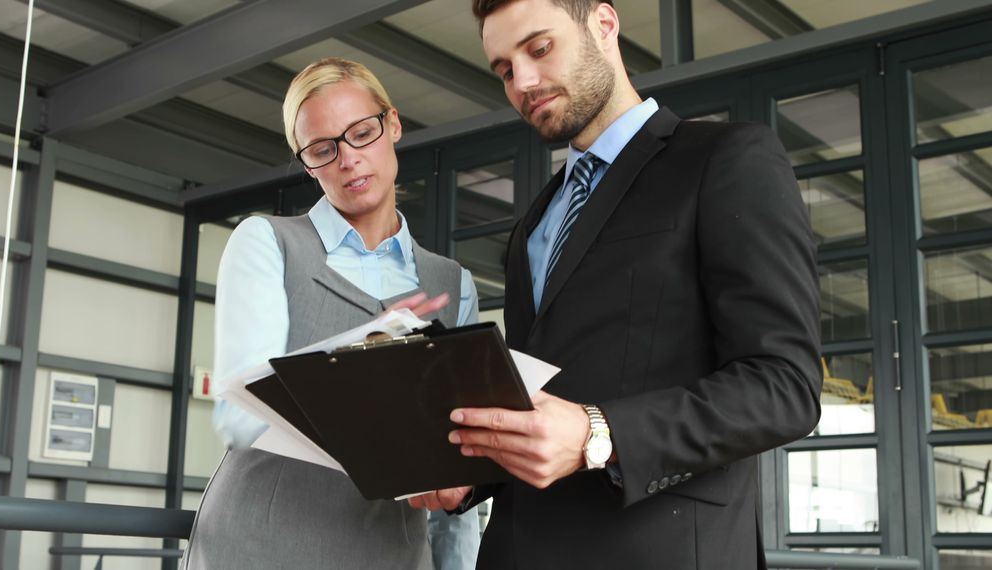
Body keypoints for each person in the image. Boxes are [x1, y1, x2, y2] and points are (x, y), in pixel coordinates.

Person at [408, 1, 823, 568]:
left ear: (603, 25)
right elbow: (545, 400)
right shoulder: (535, 219)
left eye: (539, 48)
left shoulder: (726, 159)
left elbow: (785, 387)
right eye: (505, 69)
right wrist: (471, 475)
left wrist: (597, 432)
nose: (523, 81)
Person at [183, 57, 480, 570]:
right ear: (308, 164)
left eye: (361, 132)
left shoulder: (452, 285)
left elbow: (457, 461)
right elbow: (241, 414)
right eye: (323, 149)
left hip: (390, 552)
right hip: (261, 544)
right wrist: (361, 354)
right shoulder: (268, 242)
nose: (348, 159)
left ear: (392, 125)